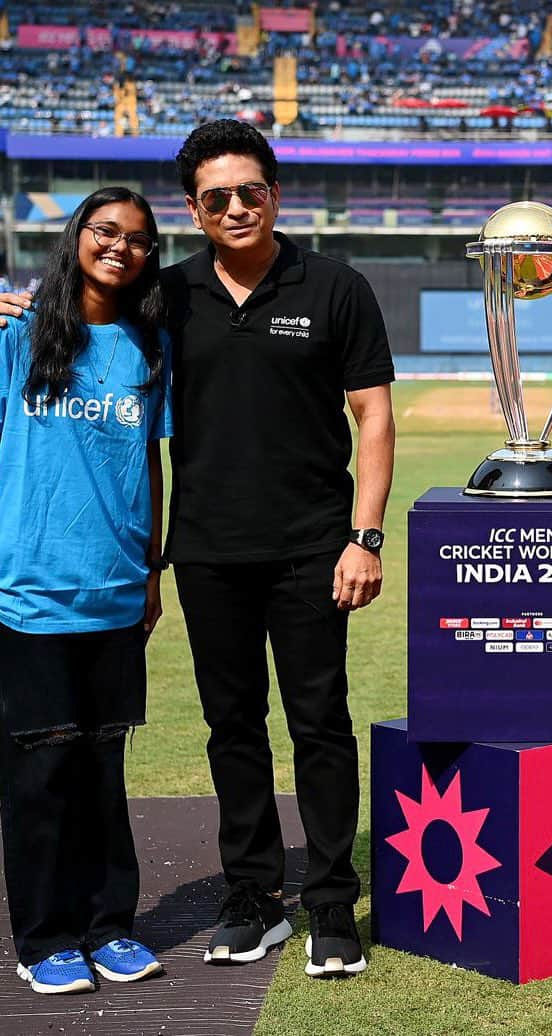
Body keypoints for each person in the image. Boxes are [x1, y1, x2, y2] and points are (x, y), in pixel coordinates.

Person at [165, 120, 394, 977]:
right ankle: (254, 897)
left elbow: (372, 414)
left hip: (312, 547)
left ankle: (332, 900)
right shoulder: (170, 295)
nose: (236, 207)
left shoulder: (335, 286)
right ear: (194, 210)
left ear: (275, 195)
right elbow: (91, 344)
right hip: (207, 549)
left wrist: (363, 536)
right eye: (216, 196)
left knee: (319, 725)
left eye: (250, 191)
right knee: (232, 727)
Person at [0, 187, 171, 993]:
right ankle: (44, 939)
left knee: (103, 768)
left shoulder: (147, 346)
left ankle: (109, 926)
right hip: (28, 590)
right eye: (106, 232)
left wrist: (151, 569)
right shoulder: (17, 332)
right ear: (77, 238)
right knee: (39, 774)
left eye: (138, 239)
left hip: (116, 589)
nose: (121, 247)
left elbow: (149, 464)